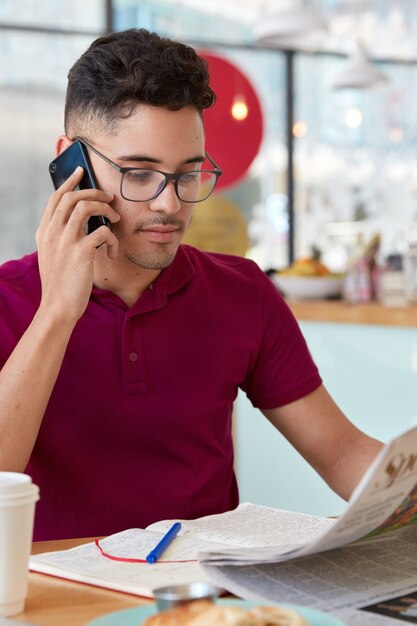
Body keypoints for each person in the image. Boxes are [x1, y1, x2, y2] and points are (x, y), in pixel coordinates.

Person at [0, 28, 382, 541]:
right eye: (139, 173)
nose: (170, 205)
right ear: (72, 165)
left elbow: (342, 452)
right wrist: (57, 314)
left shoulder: (242, 292)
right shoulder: (8, 301)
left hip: (205, 605)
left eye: (189, 172)